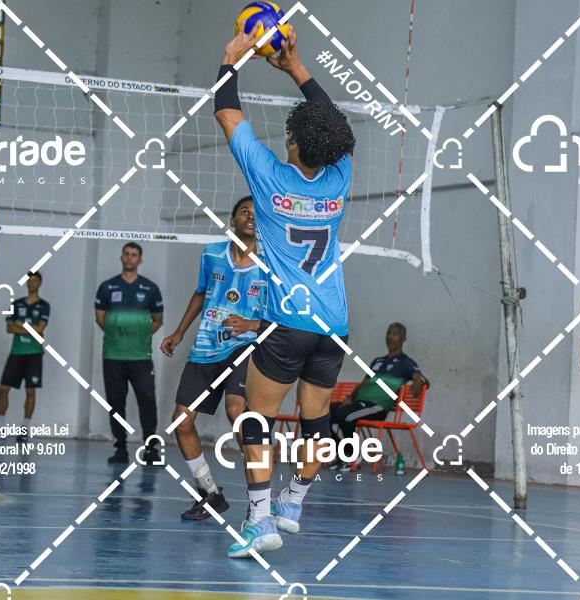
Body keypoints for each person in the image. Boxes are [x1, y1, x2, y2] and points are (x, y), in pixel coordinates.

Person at [215, 27, 356, 557]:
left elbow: (227, 113)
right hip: (334, 325)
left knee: (257, 421)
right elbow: (336, 125)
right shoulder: (340, 176)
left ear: (294, 142)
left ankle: (259, 521)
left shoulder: (270, 177)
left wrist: (231, 59)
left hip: (287, 325)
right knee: (316, 419)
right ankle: (292, 501)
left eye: (290, 134)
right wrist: (297, 67)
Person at [161, 196, 265, 520]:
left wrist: (251, 325)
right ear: (232, 220)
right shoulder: (212, 254)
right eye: (244, 212)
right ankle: (210, 494)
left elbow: (284, 313)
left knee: (236, 411)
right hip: (205, 347)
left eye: (255, 214)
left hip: (245, 345)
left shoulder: (272, 263)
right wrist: (179, 331)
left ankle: (260, 499)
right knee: (182, 421)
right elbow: (200, 293)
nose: (250, 217)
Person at [95, 242, 164, 464]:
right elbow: (100, 318)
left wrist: (139, 335)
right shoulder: (107, 287)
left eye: (134, 255)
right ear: (121, 257)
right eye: (126, 254)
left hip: (141, 357)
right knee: (116, 402)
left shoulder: (150, 289)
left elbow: (158, 320)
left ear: (139, 260)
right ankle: (120, 449)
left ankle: (151, 450)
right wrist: (118, 334)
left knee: (147, 400)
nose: (130, 257)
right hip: (113, 356)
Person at [329, 322, 428, 471]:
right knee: (320, 415)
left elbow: (421, 378)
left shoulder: (406, 363)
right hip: (358, 403)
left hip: (377, 406)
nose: (390, 337)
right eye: (389, 333)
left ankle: (349, 457)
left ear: (403, 338)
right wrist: (350, 397)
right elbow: (364, 383)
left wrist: (418, 382)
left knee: (346, 416)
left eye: (395, 334)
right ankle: (343, 453)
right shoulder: (377, 361)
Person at [0, 272, 50, 444]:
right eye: (29, 281)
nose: (31, 283)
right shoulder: (16, 304)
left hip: (34, 353)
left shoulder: (44, 306)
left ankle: (25, 429)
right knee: (4, 388)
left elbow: (40, 329)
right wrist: (32, 329)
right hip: (16, 352)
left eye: (35, 281)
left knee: (30, 391)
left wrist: (21, 324)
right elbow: (9, 328)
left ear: (40, 283)